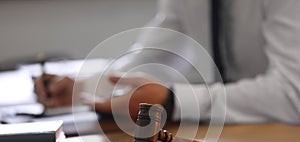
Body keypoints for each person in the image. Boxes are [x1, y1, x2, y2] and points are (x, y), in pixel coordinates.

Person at [35, 0, 300, 124]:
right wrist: (84, 88)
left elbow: (292, 95)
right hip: (249, 139)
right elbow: (157, 53)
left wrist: (173, 102)